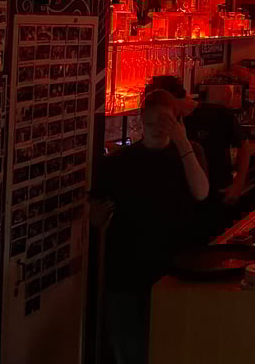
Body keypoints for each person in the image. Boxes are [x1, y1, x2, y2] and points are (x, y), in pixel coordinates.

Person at [92, 89, 209, 364]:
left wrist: (182, 143)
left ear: (177, 121)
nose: (157, 129)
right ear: (141, 121)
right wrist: (96, 217)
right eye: (151, 122)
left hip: (174, 270)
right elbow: (97, 218)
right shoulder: (119, 162)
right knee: (130, 351)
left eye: (165, 122)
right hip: (126, 272)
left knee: (170, 346)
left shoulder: (189, 154)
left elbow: (201, 192)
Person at [144, 76, 252, 233]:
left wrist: (238, 183)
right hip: (183, 204)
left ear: (172, 98)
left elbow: (244, 145)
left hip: (218, 197)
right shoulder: (172, 122)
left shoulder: (219, 114)